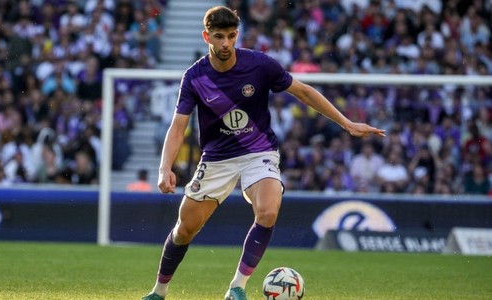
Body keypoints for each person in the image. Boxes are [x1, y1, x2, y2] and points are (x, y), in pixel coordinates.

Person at [141, 6, 385, 300]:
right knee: (185, 229)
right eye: (218, 37)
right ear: (207, 36)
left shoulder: (259, 65)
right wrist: (164, 167)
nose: (225, 44)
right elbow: (178, 127)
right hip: (217, 158)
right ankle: (159, 291)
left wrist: (346, 123)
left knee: (268, 210)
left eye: (231, 36)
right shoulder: (194, 77)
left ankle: (237, 287)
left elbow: (304, 92)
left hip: (260, 152)